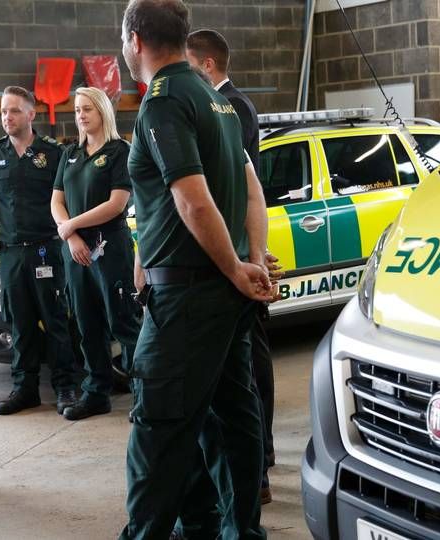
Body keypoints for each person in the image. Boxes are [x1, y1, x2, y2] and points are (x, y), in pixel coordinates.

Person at [118, 1, 275, 538]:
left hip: (186, 297)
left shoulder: (162, 102)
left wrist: (237, 267)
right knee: (229, 419)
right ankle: (229, 529)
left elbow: (193, 201)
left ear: (135, 40)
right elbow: (252, 187)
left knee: (158, 430)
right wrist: (251, 260)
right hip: (221, 296)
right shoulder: (217, 98)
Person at [186, 27, 276, 506]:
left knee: (250, 367)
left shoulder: (230, 107)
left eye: (188, 64)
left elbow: (238, 187)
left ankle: (258, 464)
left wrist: (249, 255)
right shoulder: (225, 104)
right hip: (237, 252)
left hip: (239, 255)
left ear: (206, 66)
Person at [0, 85, 80, 416]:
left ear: (31, 115)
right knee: (18, 323)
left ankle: (66, 387)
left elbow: (65, 199)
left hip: (46, 249)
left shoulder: (53, 153)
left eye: (15, 111)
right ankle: (25, 389)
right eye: (4, 111)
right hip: (11, 253)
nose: (7, 117)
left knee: (55, 321)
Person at [51, 87, 141, 421]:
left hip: (110, 248)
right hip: (75, 252)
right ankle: (96, 392)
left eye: (88, 108)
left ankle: (143, 394)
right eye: (76, 109)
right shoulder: (70, 153)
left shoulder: (120, 151)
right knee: (87, 324)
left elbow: (117, 203)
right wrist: (71, 235)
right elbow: (56, 200)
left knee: (123, 321)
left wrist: (71, 224)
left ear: (103, 111)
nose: (81, 115)